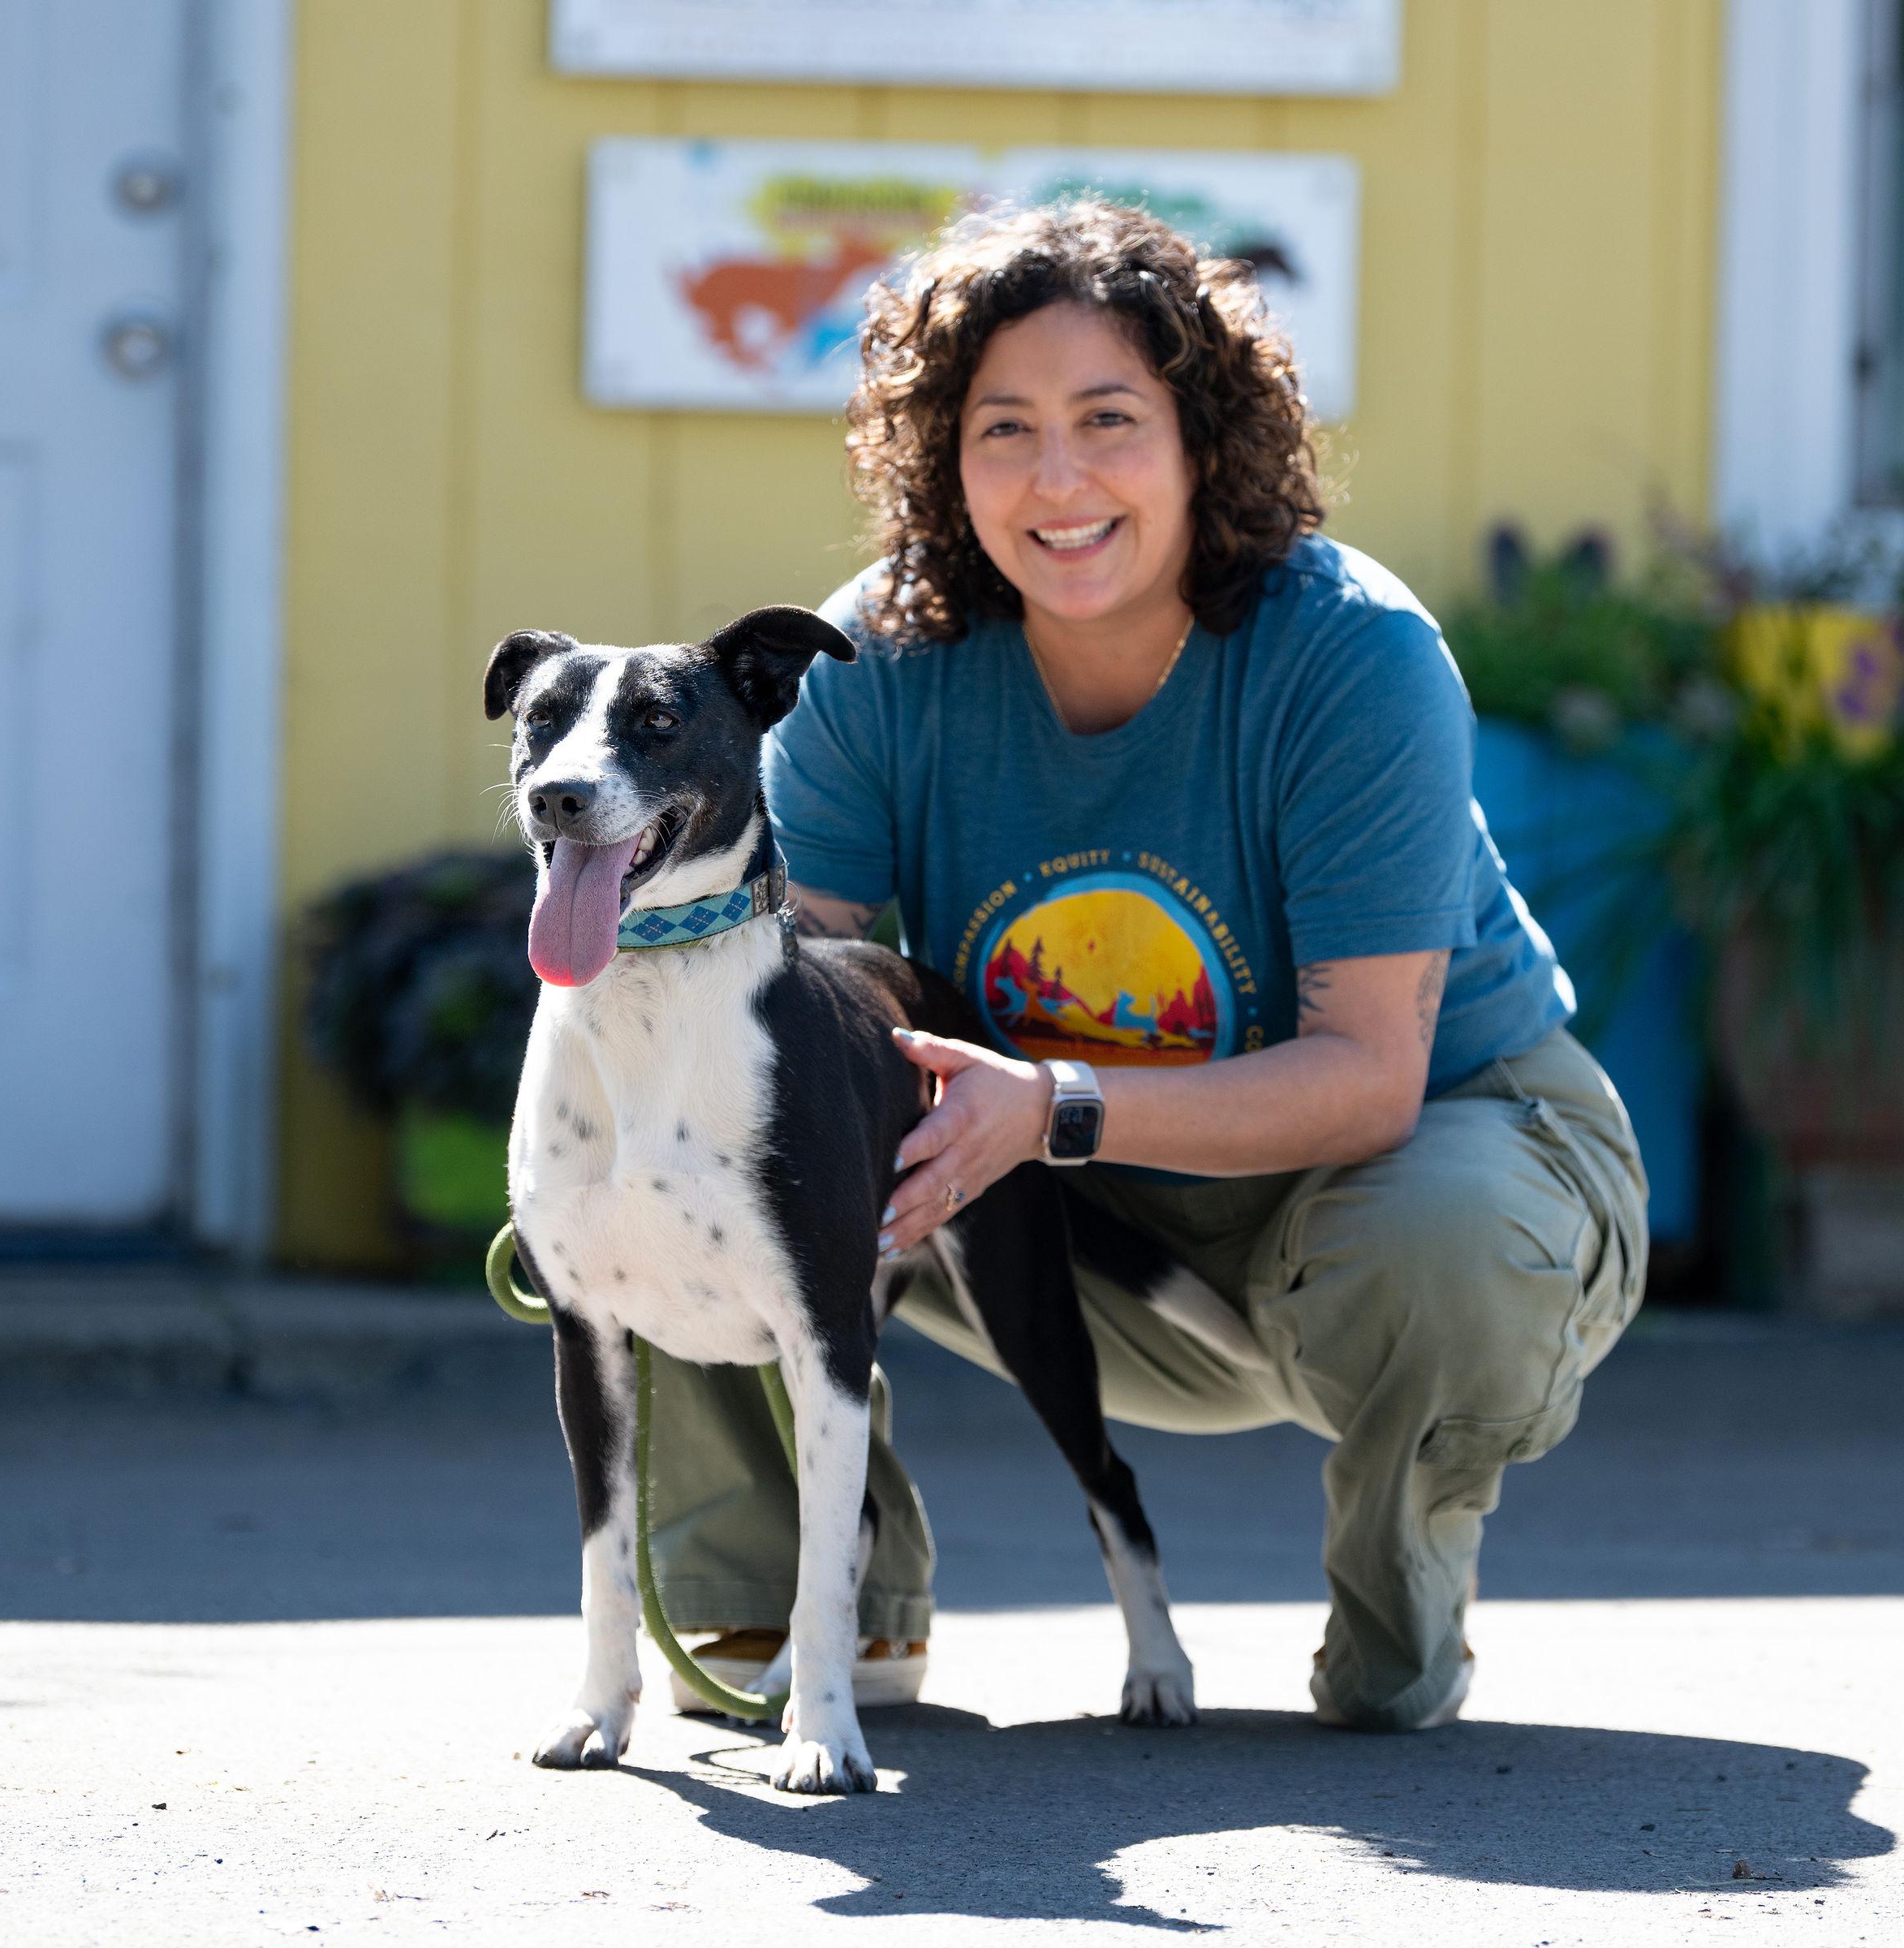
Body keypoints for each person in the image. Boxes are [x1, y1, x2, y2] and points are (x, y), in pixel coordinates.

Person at [644, 197, 1648, 1731]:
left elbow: (1373, 1082)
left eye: (1109, 419)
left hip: (1413, 1175)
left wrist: (1047, 1101)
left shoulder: (1352, 653)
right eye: (1004, 429)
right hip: (1085, 1223)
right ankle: (814, 1599)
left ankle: (1399, 1620)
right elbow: (777, 1025)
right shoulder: (874, 666)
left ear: (1202, 440)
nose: (1059, 481)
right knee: (705, 1129)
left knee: (1443, 1239)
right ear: (938, 454)